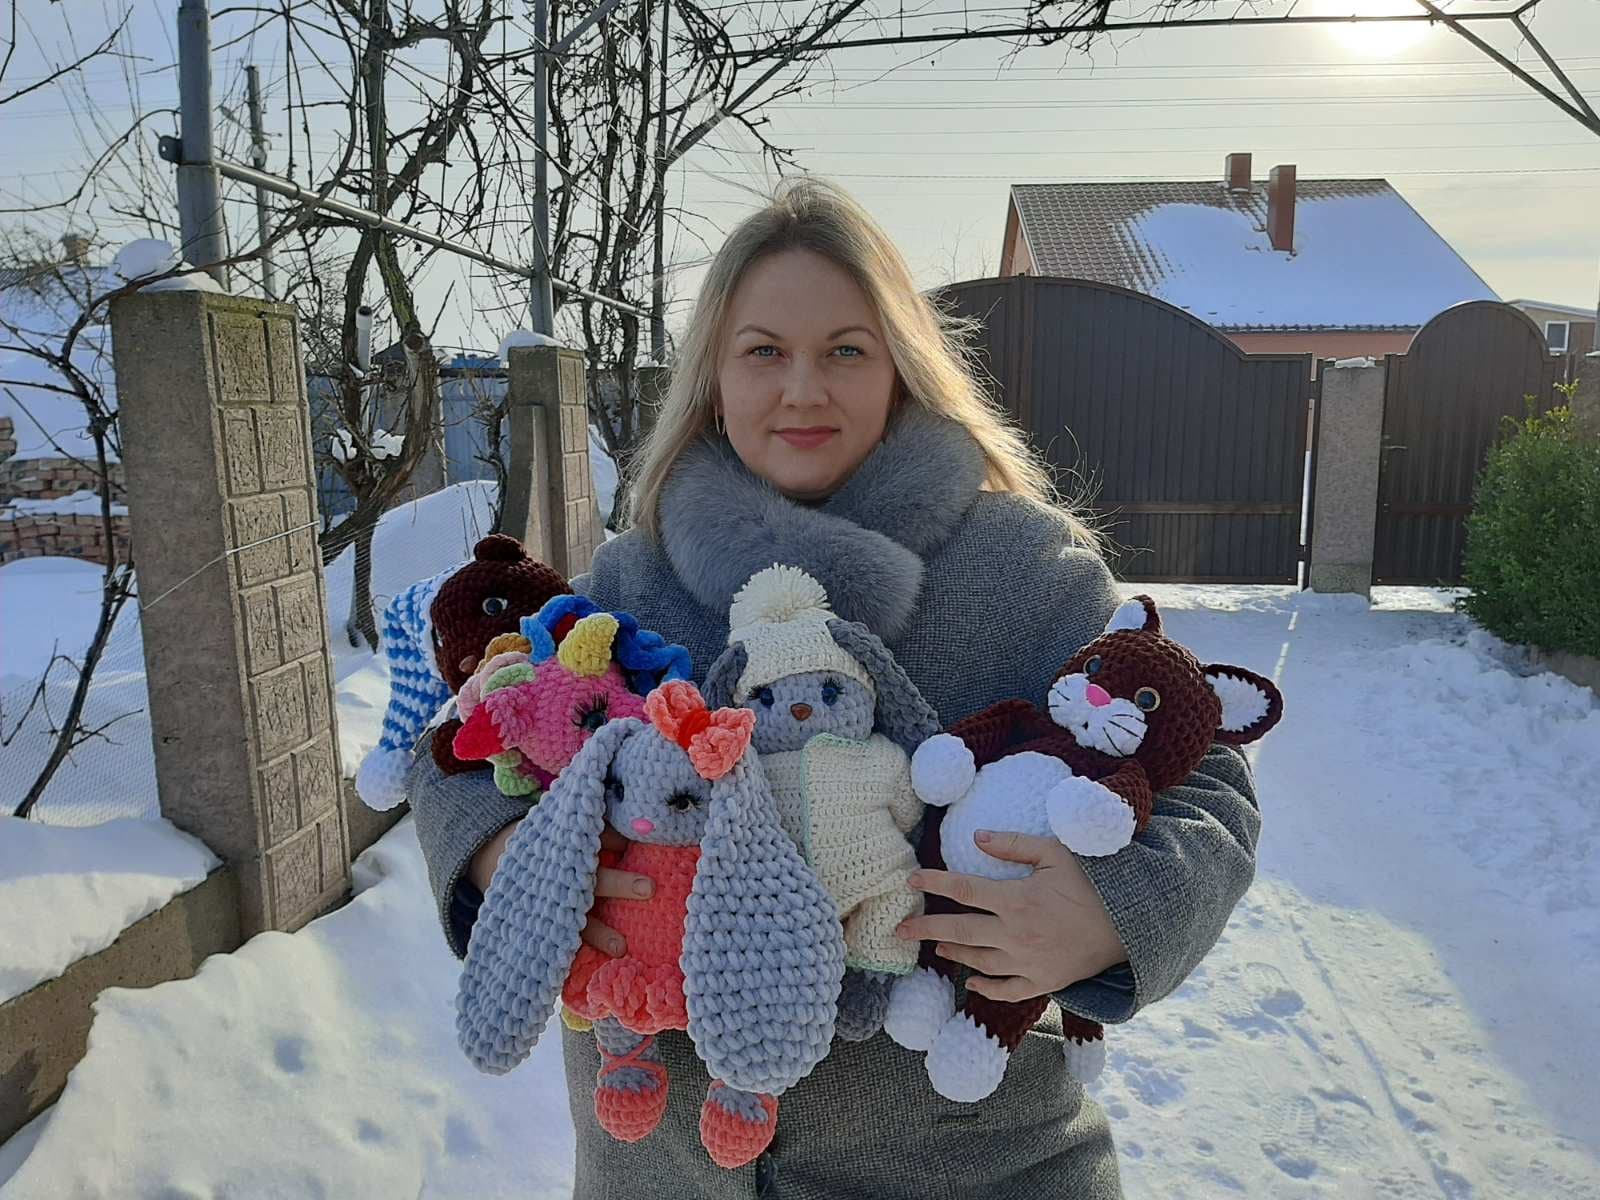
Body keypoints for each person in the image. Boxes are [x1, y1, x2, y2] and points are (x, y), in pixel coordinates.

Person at [405, 178, 1260, 1200]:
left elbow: (1206, 776)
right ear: (712, 378)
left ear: (900, 365)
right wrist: (507, 852)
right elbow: (462, 739)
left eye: (846, 351)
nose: (802, 390)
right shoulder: (630, 583)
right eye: (763, 351)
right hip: (657, 1169)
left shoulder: (1025, 572)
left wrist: (1112, 913)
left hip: (978, 1169)